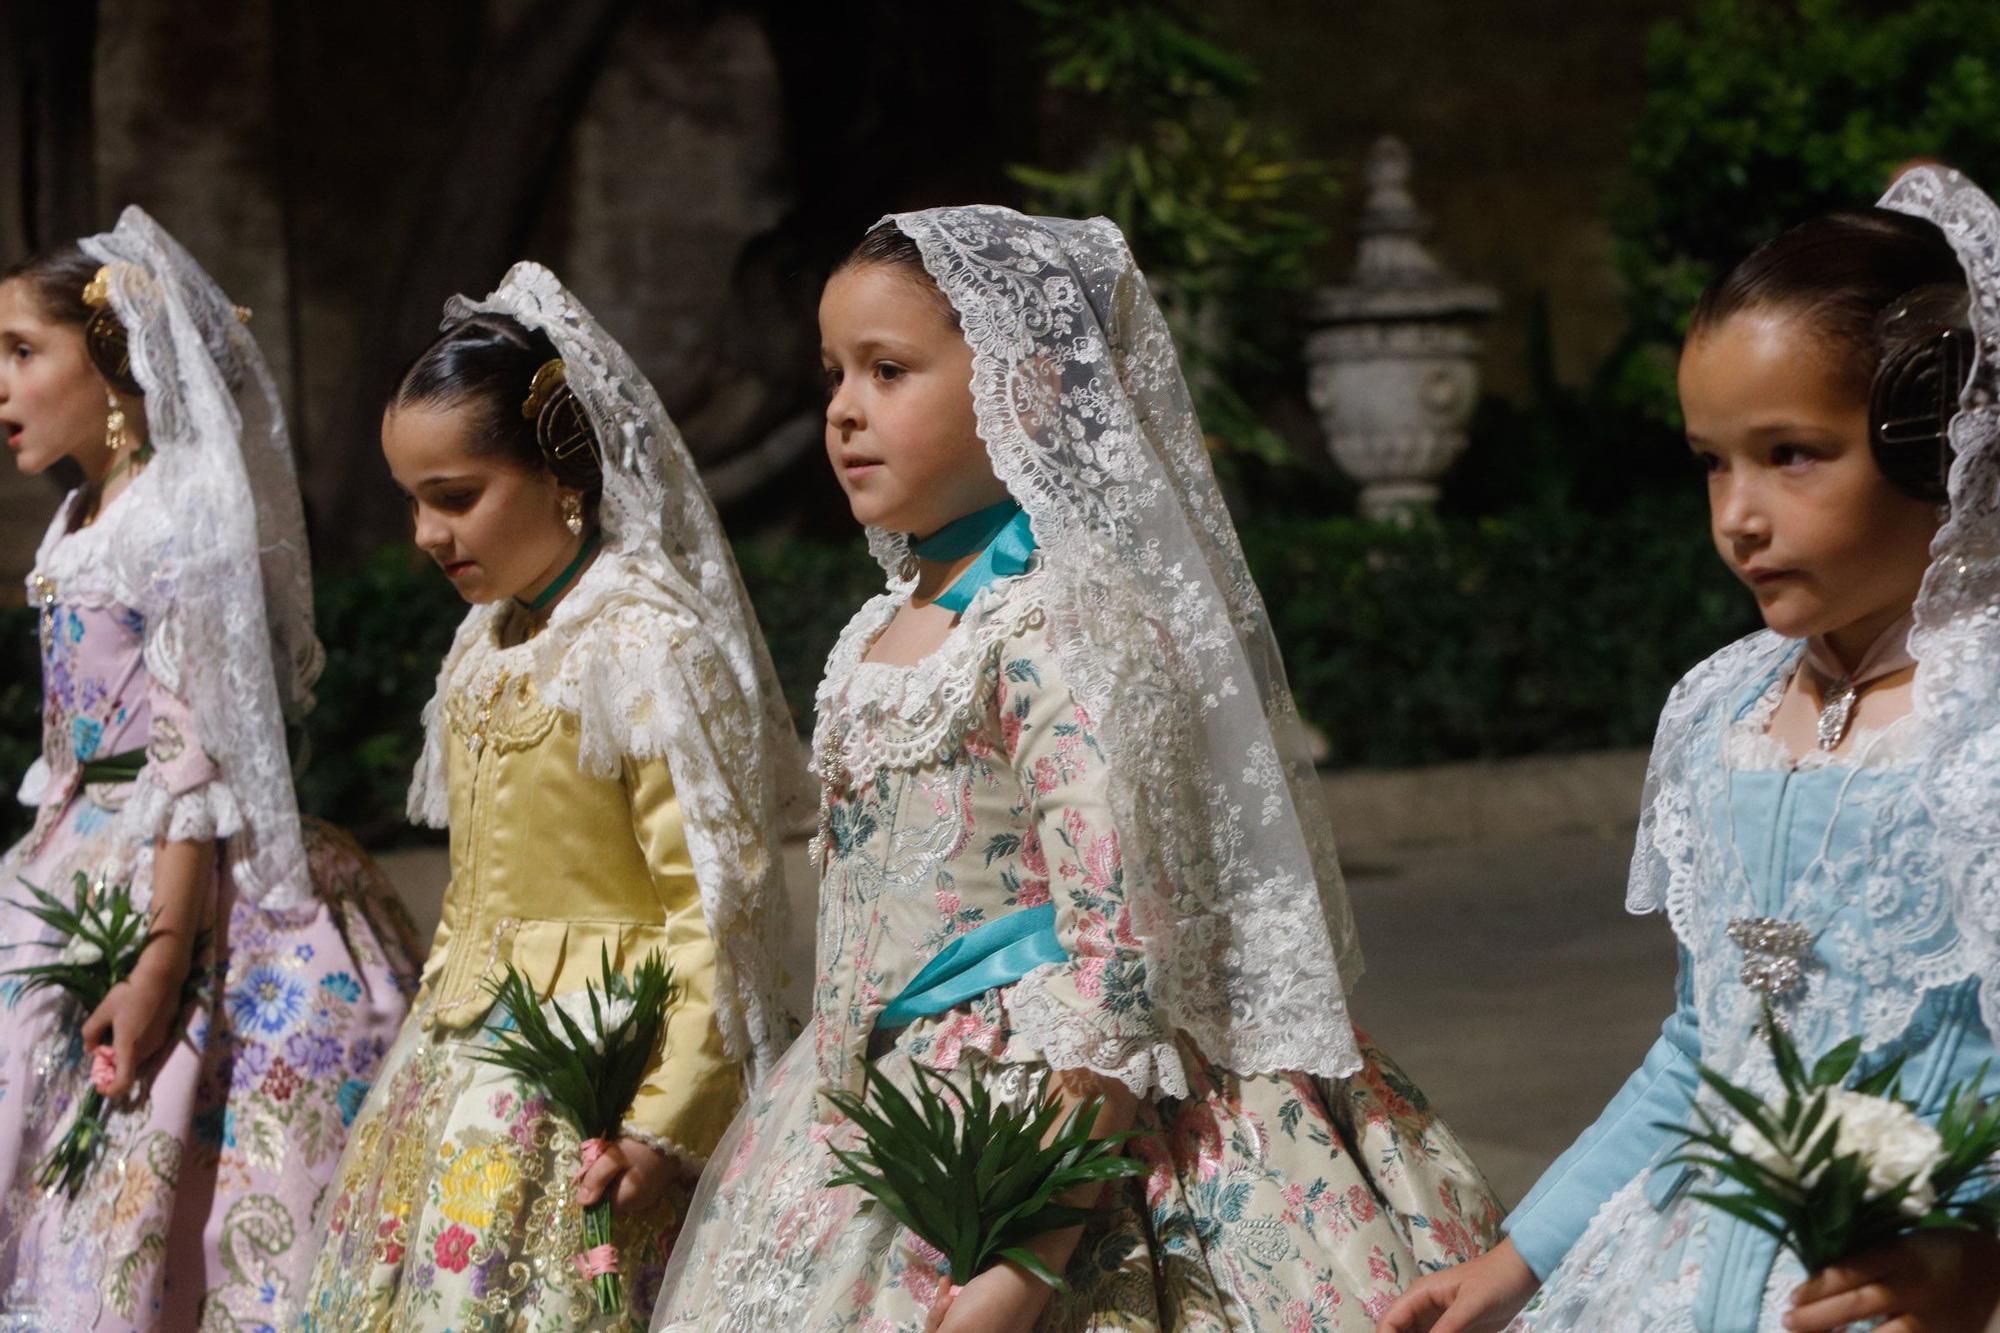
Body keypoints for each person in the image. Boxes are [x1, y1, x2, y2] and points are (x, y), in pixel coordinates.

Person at [652, 207, 1502, 1332]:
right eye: (834, 375)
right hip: (870, 1109)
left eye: (889, 370)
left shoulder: (1058, 625)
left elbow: (1118, 960)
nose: (844, 410)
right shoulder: (887, 622)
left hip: (1057, 1124)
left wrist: (1026, 1259)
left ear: (1028, 386)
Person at [1378, 165, 2000, 1333]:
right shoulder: (1720, 710)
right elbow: (1696, 1052)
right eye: (1712, 460)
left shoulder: (1984, 729)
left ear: (1935, 438)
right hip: (1668, 1275)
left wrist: (1978, 1263)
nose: (1737, 515)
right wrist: (1519, 1258)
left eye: (1792, 454)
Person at [296, 261, 806, 1328]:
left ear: (563, 468)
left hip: (593, 1071)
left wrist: (666, 1121)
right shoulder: (486, 639)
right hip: (456, 1056)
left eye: (457, 497)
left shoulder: (645, 643)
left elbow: (720, 895)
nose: (429, 536)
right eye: (414, 504)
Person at [0, 207, 418, 1327]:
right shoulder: (85, 513)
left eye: (22, 353)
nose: (1, 385)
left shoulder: (176, 514)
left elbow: (195, 759)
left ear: (113, 367)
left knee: (166, 1150)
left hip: (176, 872)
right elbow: (73, 741)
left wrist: (158, 959)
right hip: (78, 853)